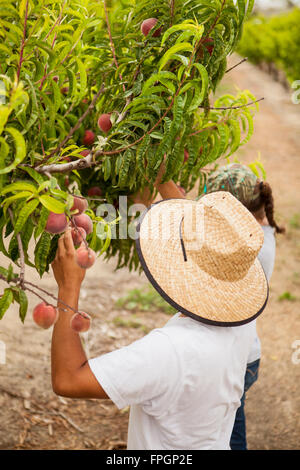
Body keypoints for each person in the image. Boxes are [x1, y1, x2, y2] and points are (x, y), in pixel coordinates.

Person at [51, 187, 269, 450]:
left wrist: (68, 288)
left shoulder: (169, 351)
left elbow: (68, 379)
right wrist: (160, 176)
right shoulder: (240, 323)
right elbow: (211, 247)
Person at [143, 161, 284, 450]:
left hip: (236, 355)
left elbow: (190, 219)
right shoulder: (258, 237)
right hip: (244, 350)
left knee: (227, 432)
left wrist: (158, 172)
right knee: (228, 422)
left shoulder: (247, 251)